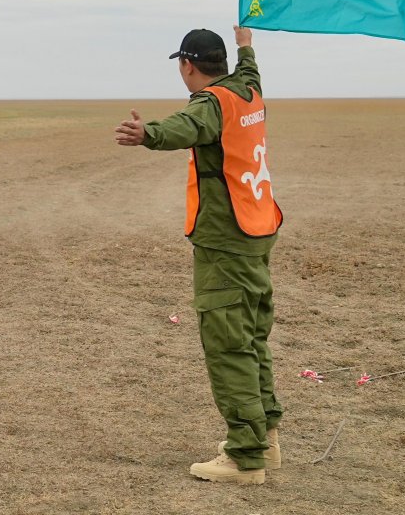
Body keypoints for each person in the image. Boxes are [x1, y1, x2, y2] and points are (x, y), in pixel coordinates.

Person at [114, 26, 284, 486]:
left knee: (228, 344)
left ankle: (245, 458)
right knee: (250, 338)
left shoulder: (211, 103)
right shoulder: (247, 90)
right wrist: (247, 44)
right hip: (257, 228)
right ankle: (265, 438)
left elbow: (185, 127)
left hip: (226, 240)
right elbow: (251, 70)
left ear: (186, 65)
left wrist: (146, 132)